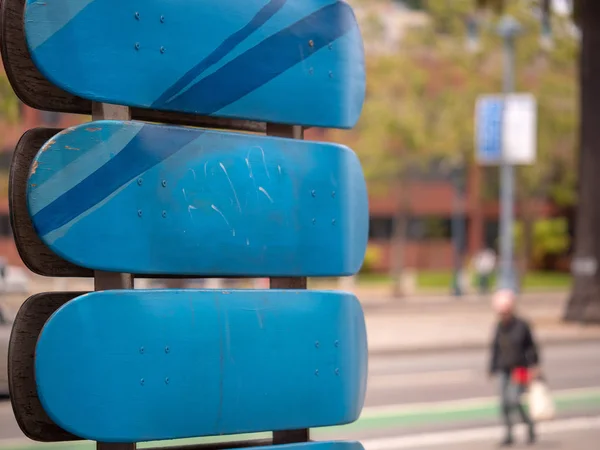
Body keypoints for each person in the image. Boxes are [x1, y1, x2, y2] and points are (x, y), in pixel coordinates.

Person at [489, 289, 539, 447]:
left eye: (505, 311)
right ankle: (508, 433)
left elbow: (531, 347)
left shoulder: (522, 325)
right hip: (504, 368)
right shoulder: (499, 327)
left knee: (515, 400)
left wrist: (534, 366)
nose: (503, 315)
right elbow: (495, 348)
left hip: (521, 368)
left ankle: (529, 426)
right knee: (504, 402)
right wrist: (491, 367)